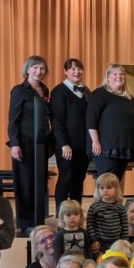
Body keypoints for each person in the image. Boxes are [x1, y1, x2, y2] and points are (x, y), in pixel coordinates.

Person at [7, 55, 53, 233]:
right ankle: (25, 223)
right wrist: (14, 144)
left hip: (41, 143)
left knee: (39, 182)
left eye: (42, 68)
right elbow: (13, 120)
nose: (38, 71)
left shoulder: (45, 89)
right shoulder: (19, 90)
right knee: (25, 183)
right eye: (35, 68)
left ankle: (38, 219)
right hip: (24, 143)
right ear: (27, 70)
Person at [49, 57, 91, 206]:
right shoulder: (59, 91)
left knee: (79, 179)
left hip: (83, 145)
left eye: (79, 68)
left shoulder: (86, 91)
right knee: (66, 177)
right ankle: (60, 213)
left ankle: (76, 210)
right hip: (66, 145)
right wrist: (64, 144)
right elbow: (57, 121)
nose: (77, 71)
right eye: (73, 69)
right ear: (65, 71)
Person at [87, 64, 134, 182]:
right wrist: (95, 141)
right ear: (108, 77)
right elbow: (91, 119)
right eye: (115, 74)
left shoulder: (129, 98)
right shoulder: (100, 93)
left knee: (116, 182)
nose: (118, 77)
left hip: (123, 147)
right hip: (105, 147)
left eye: (122, 74)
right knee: (106, 182)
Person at [86, 173, 129, 256]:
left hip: (116, 242)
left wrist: (124, 241)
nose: (105, 190)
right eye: (102, 188)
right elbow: (90, 225)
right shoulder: (94, 207)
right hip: (100, 242)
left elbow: (125, 225)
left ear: (116, 189)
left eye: (109, 188)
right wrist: (93, 240)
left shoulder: (120, 207)